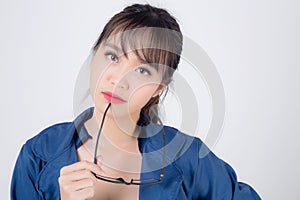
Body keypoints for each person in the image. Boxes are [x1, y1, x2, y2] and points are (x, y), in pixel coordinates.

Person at [10, 3, 261, 200]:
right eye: (112, 56)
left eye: (143, 71)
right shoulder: (38, 155)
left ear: (158, 88)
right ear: (94, 56)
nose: (120, 80)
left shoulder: (190, 159)